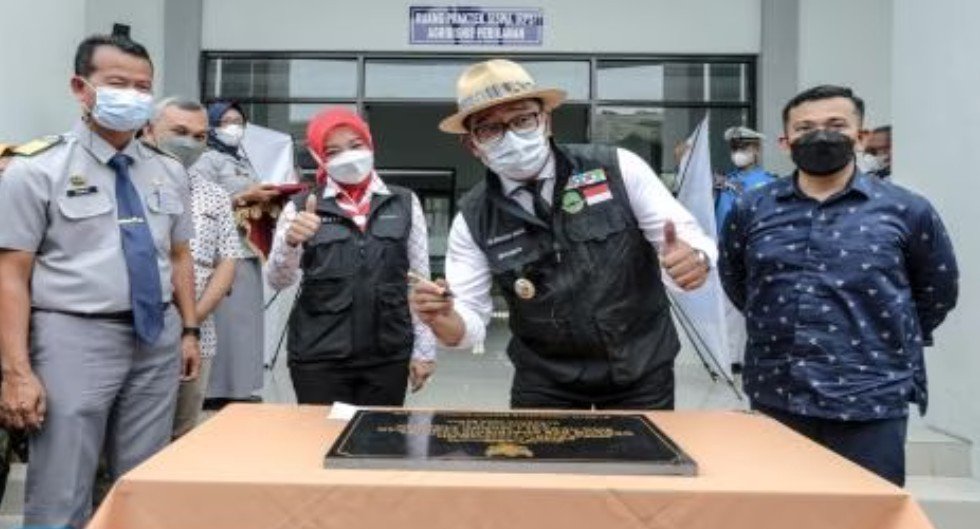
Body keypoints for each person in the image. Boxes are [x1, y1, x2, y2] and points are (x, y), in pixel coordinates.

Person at [410, 59, 715, 410]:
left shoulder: (617, 168)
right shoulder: (473, 218)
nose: (511, 136)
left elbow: (688, 241)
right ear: (473, 145)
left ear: (546, 121)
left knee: (643, 449)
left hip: (640, 368)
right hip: (545, 382)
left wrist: (695, 260)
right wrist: (444, 319)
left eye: (523, 119)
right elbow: (470, 321)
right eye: (490, 129)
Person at [0, 34, 200, 526]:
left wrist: (189, 330)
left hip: (155, 338)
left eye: (143, 87)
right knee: (62, 485)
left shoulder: (168, 170)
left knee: (142, 484)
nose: (132, 95)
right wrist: (16, 371)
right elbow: (11, 273)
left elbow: (178, 255)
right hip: (74, 336)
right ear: (80, 88)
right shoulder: (36, 169)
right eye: (117, 83)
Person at [718, 85, 959, 486]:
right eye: (805, 128)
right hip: (778, 393)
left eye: (836, 124)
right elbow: (738, 282)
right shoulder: (752, 208)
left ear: (860, 137)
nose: (821, 135)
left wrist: (875, 336)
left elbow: (937, 291)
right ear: (785, 142)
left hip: (870, 398)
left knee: (866, 511)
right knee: (779, 509)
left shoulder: (907, 209)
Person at [267, 107, 436, 405]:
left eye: (356, 145)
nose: (348, 156)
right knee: (321, 434)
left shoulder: (404, 202)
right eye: (333, 151)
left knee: (378, 434)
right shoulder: (301, 206)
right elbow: (278, 281)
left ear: (370, 144)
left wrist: (424, 350)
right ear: (319, 158)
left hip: (387, 354)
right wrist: (289, 243)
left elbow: (420, 281)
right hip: (319, 356)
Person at [143, 97, 245, 437]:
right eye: (179, 132)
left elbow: (227, 259)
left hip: (198, 332)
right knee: (134, 435)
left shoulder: (214, 195)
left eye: (200, 137)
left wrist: (191, 320)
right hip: (141, 330)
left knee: (182, 432)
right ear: (148, 130)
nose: (189, 143)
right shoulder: (129, 184)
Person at [192, 101, 279, 407]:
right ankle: (215, 390)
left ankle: (240, 387)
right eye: (226, 121)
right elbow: (199, 202)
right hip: (221, 251)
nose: (234, 127)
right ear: (212, 125)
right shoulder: (207, 159)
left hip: (247, 247)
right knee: (223, 321)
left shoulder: (241, 159)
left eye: (239, 121)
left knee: (245, 324)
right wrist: (245, 195)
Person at [714, 126, 777, 373]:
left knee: (757, 301)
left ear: (756, 150)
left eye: (744, 147)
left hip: (755, 249)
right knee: (728, 304)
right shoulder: (723, 181)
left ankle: (756, 353)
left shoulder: (769, 182)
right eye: (735, 147)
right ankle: (732, 357)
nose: (738, 152)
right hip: (725, 249)